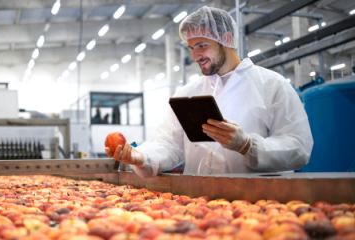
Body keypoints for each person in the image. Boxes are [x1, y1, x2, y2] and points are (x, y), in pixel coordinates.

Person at [105, 6, 313, 177]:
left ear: (227, 39)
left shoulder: (272, 86)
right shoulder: (188, 93)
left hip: (259, 204)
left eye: (202, 45)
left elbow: (298, 148)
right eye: (191, 47)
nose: (195, 56)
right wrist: (142, 157)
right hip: (200, 203)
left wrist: (248, 146)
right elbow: (168, 144)